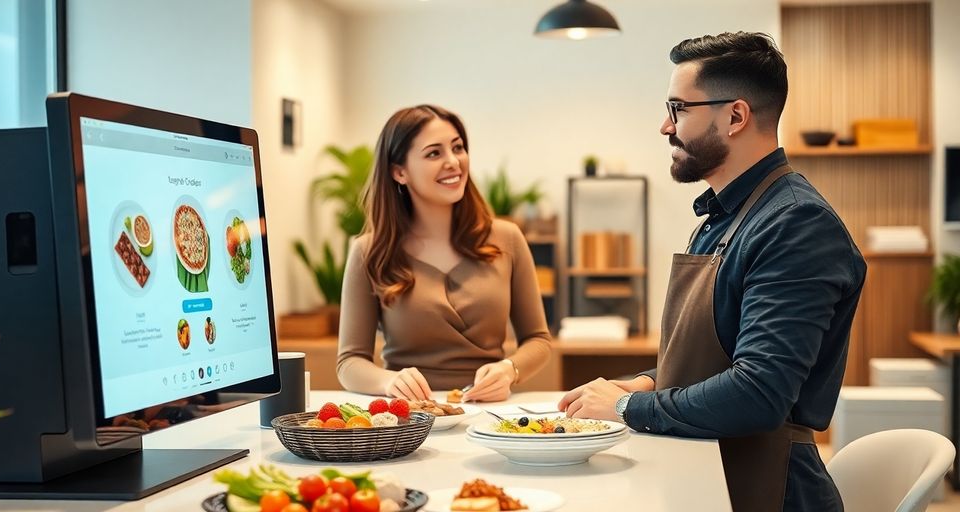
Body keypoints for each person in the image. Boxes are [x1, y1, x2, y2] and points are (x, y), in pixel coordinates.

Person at [558, 32, 866, 512]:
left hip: (766, 488)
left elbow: (759, 392)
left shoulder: (797, 224)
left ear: (736, 116)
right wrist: (645, 383)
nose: (665, 125)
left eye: (679, 109)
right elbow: (716, 360)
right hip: (709, 469)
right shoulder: (723, 218)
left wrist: (624, 408)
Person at [337, 104, 552, 402]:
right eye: (434, 153)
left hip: (491, 414)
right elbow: (349, 362)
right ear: (400, 172)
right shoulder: (368, 252)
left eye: (458, 148)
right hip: (411, 418)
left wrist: (509, 369)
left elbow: (539, 340)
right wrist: (390, 382)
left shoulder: (508, 238)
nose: (453, 162)